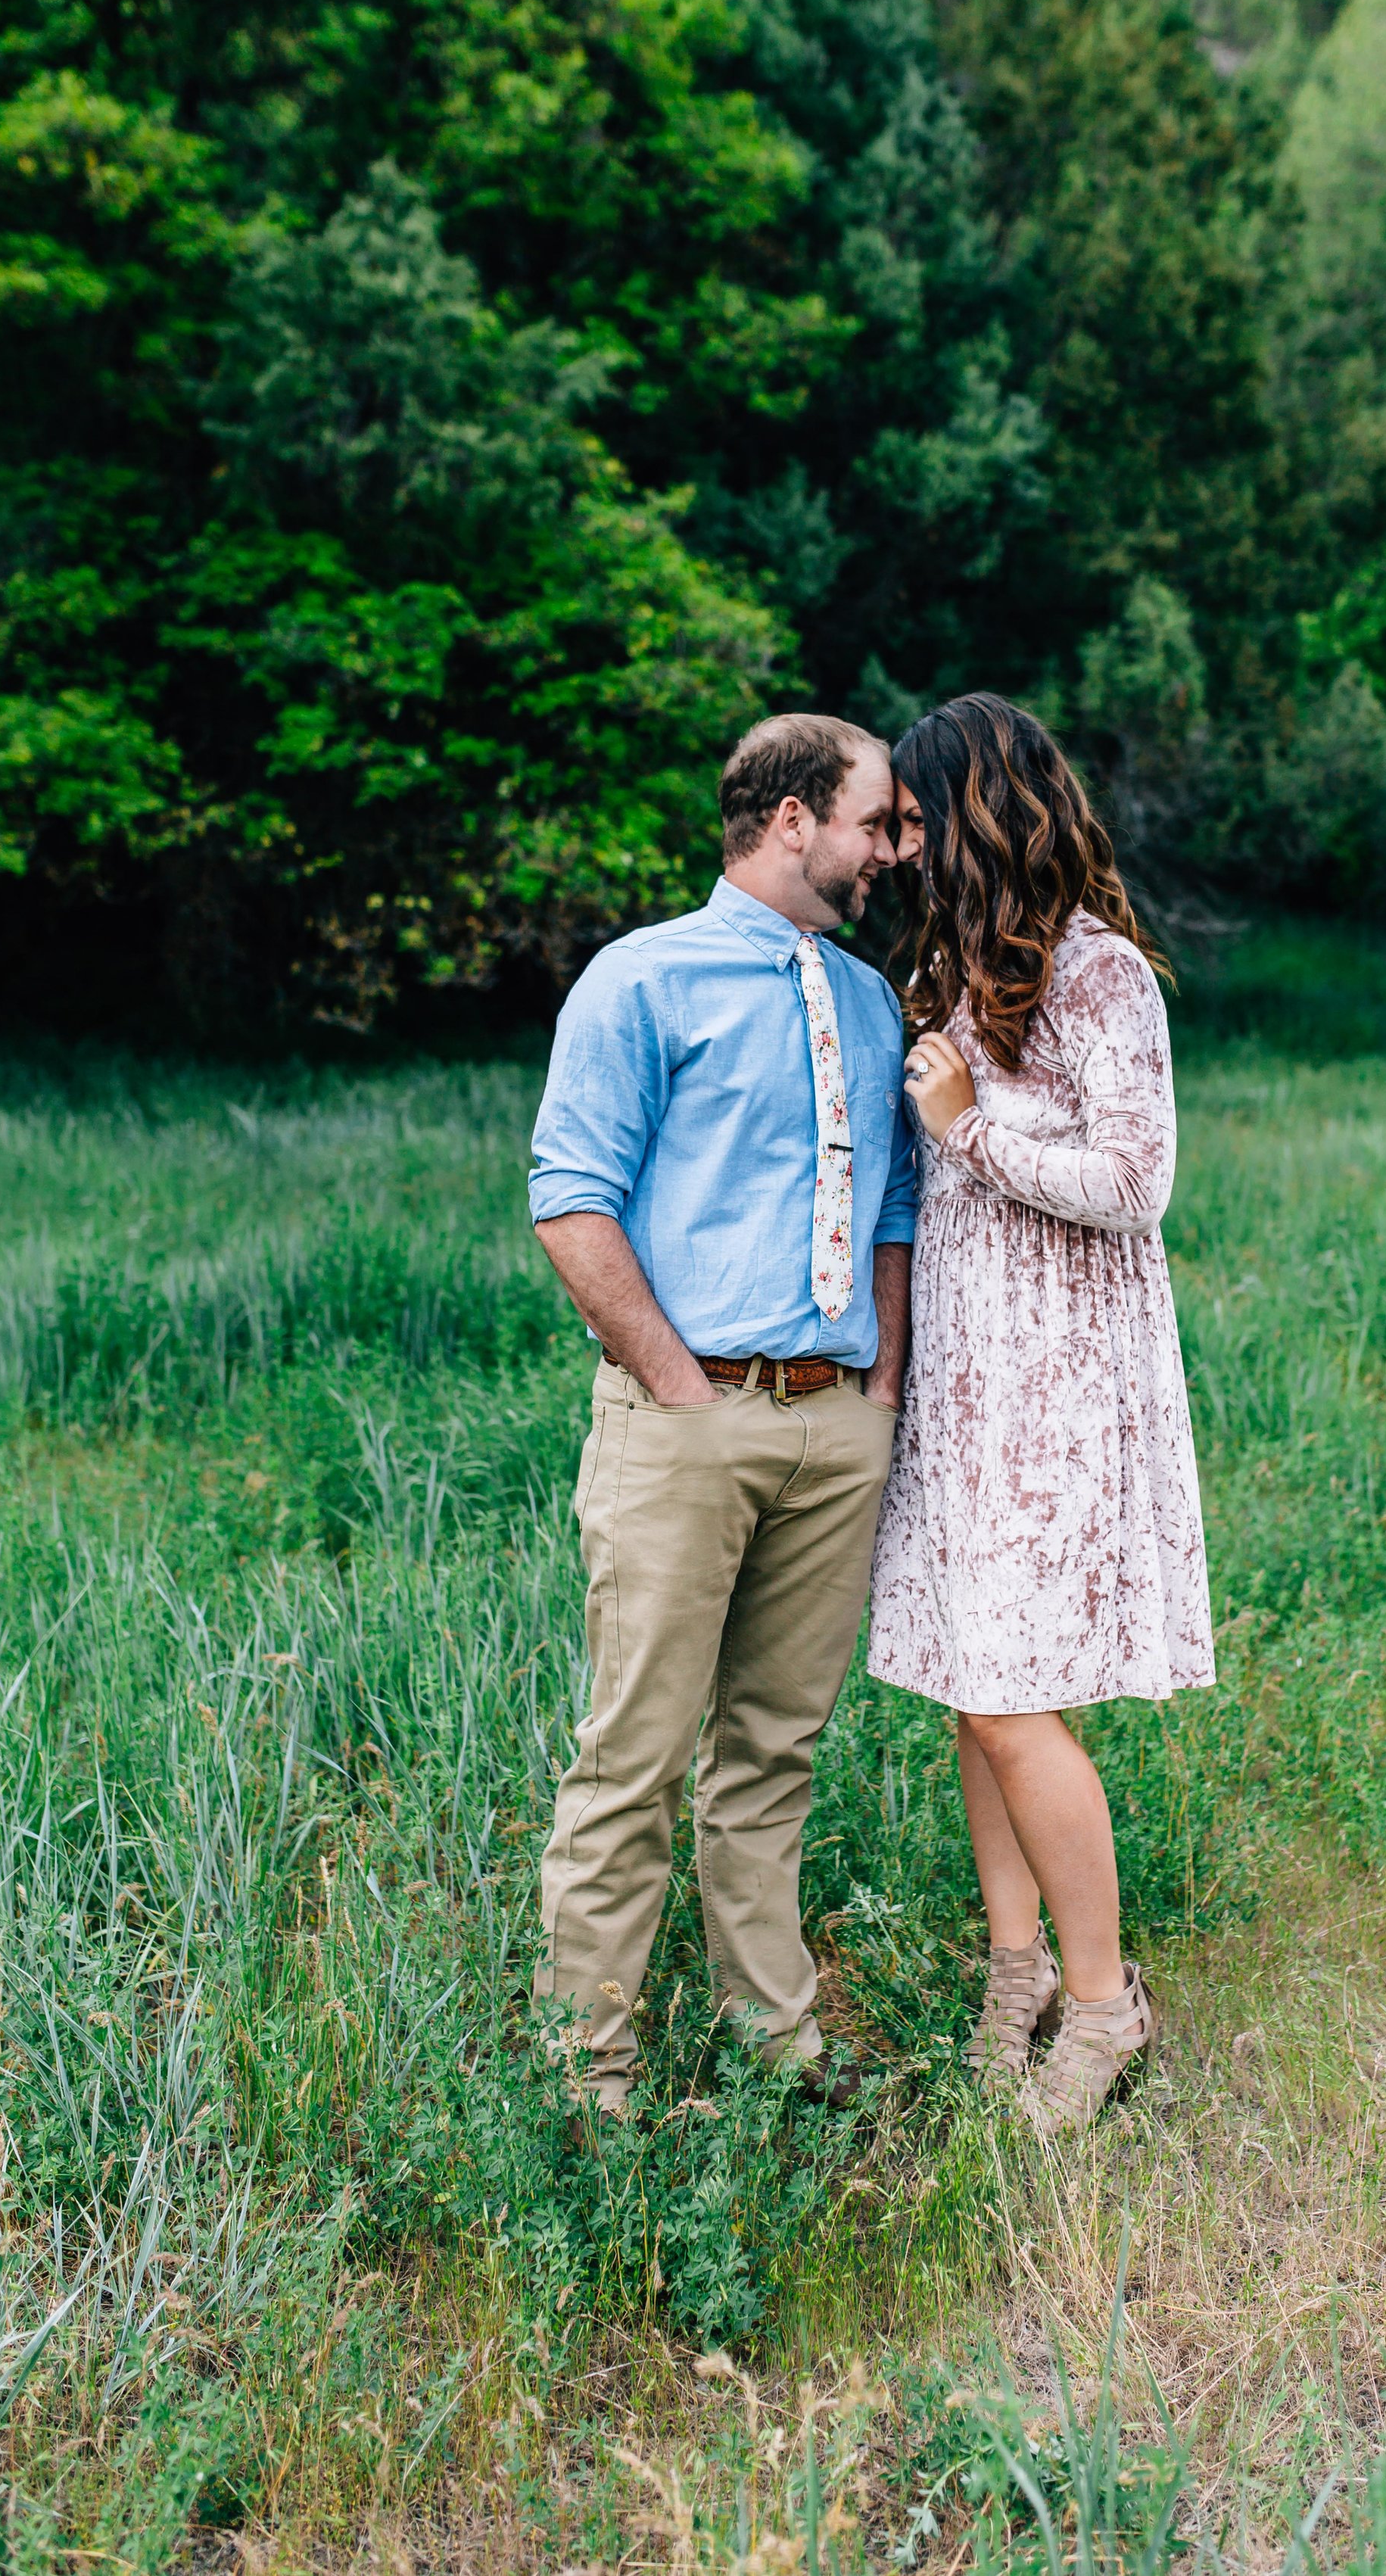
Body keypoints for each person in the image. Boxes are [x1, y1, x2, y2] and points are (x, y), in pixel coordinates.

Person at [528, 713, 915, 2119]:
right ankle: (592, 2082)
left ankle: (776, 2045)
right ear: (797, 817)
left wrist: (880, 1381)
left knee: (773, 1755)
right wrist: (682, 1390)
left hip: (836, 1432)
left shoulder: (874, 1003)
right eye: (880, 822)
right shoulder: (642, 978)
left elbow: (892, 1209)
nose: (895, 851)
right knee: (631, 1757)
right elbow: (570, 1199)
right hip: (685, 1424)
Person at [867, 693, 1213, 2136]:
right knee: (975, 1686)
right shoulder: (953, 974)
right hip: (963, 1385)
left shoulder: (1101, 974)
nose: (895, 843)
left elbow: (1136, 1183)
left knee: (1016, 1700)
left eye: (912, 818)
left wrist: (968, 1128)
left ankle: (1104, 1999)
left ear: (975, 815)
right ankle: (1013, 1971)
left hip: (1061, 1389)